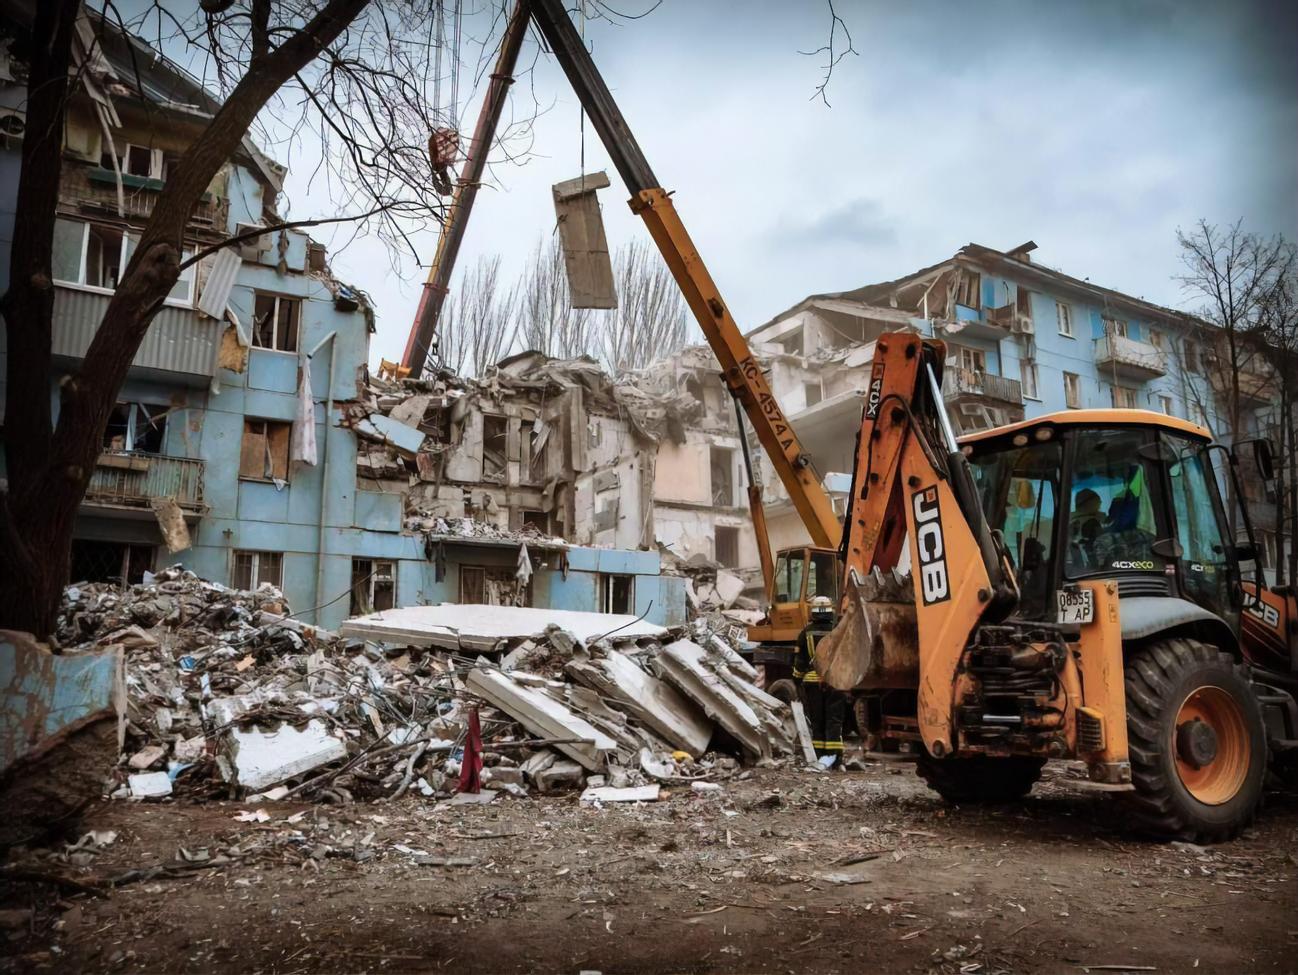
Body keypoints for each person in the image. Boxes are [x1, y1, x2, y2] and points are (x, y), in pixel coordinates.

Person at [794, 595, 846, 765]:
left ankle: (818, 755)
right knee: (834, 719)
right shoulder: (838, 629)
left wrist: (797, 680)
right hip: (835, 682)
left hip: (812, 683)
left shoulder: (806, 633)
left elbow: (800, 662)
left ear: (813, 612)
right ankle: (835, 757)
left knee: (817, 721)